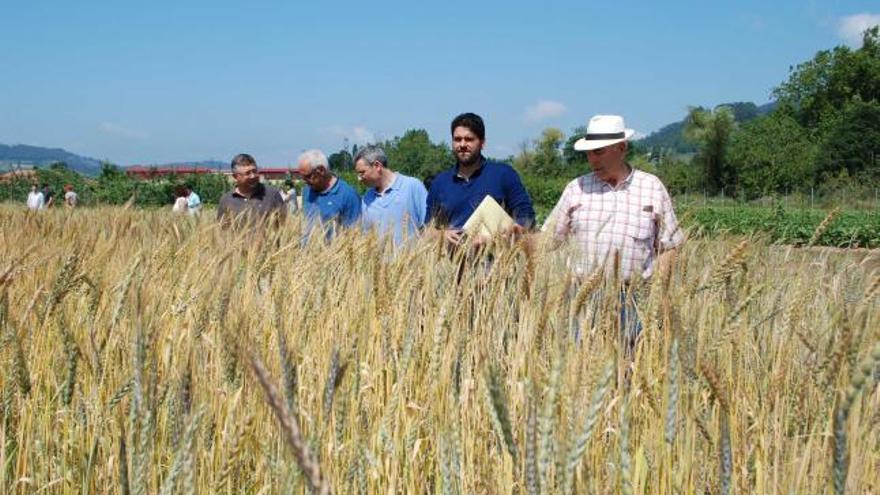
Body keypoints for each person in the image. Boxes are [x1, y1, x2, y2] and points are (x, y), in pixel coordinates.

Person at [551, 114, 684, 344]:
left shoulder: (652, 187)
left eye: (599, 151)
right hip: (583, 297)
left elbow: (669, 246)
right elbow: (549, 239)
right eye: (589, 152)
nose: (592, 159)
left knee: (630, 369)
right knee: (580, 368)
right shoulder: (576, 188)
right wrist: (515, 236)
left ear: (622, 147)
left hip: (634, 299)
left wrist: (657, 294)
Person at [425, 112, 535, 246]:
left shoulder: (503, 174)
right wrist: (442, 235)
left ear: (482, 143)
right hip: (452, 265)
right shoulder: (440, 182)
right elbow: (426, 230)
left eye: (469, 139)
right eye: (457, 139)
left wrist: (499, 236)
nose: (462, 144)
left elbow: (527, 217)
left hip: (497, 263)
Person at [355, 145, 427, 247]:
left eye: (362, 173)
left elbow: (430, 227)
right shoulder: (367, 199)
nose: (359, 178)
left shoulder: (412, 186)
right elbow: (366, 238)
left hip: (413, 261)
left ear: (377, 166)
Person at [296, 149, 361, 239]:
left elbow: (353, 235)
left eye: (307, 176)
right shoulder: (307, 191)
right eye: (302, 177)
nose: (304, 181)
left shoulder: (348, 195)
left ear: (321, 170)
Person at [217, 153, 287, 227]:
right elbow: (222, 231)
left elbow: (284, 225)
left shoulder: (272, 195)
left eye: (254, 171)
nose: (253, 176)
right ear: (235, 176)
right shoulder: (226, 200)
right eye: (247, 173)